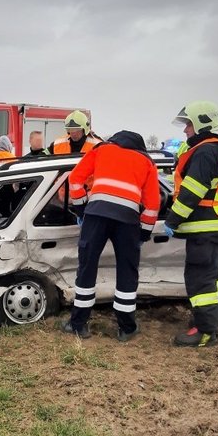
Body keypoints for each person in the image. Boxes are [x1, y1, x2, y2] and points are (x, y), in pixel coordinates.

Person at [62, 131, 160, 342]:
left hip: (96, 215)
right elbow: (153, 203)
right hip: (128, 220)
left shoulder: (101, 149)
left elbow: (75, 179)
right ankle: (126, 327)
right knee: (127, 271)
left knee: (87, 268)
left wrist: (81, 209)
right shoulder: (147, 161)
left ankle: (78, 324)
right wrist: (144, 232)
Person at [163, 101, 218, 347]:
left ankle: (205, 331)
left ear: (201, 124)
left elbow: (192, 191)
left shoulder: (205, 151)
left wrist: (173, 219)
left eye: (189, 124)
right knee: (212, 275)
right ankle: (213, 317)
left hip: (205, 226)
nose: (185, 130)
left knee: (200, 280)